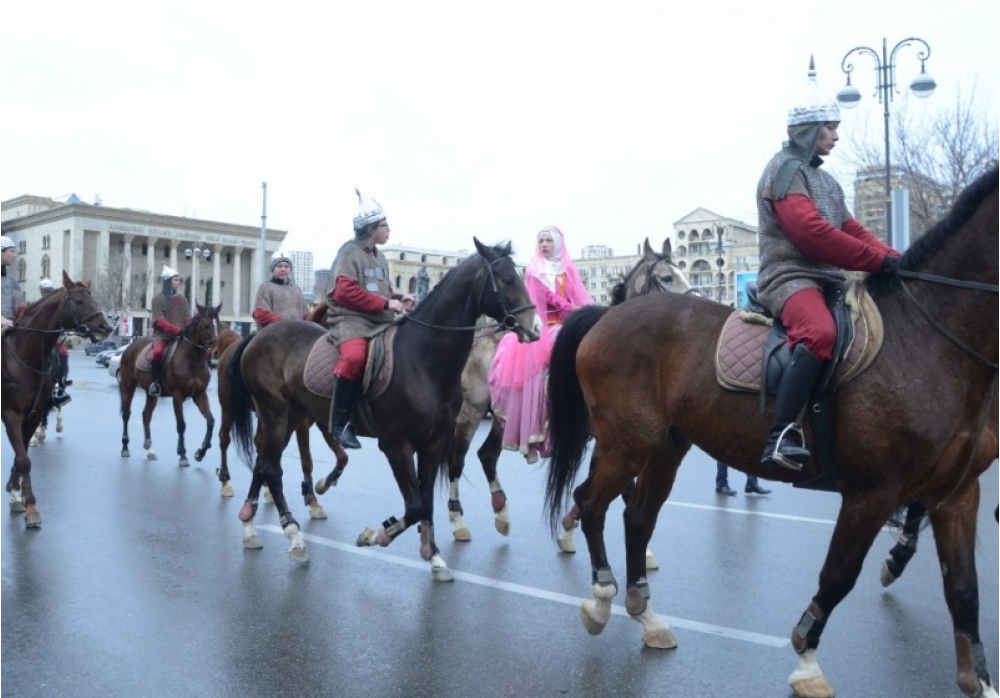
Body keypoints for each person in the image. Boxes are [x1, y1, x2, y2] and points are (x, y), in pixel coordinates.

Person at [755, 59, 899, 471]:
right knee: (819, 332)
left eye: (836, 127)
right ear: (808, 129)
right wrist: (876, 261)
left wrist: (898, 260)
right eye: (830, 127)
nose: (836, 135)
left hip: (829, 280)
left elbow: (852, 229)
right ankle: (780, 436)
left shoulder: (827, 181)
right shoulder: (784, 170)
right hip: (789, 276)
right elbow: (811, 234)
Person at [489, 226, 593, 464]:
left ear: (558, 243)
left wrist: (587, 313)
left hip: (570, 322)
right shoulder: (534, 269)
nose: (544, 244)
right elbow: (548, 298)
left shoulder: (567, 268)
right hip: (546, 325)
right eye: (541, 241)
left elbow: (578, 295)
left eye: (548, 240)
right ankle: (540, 426)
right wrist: (572, 310)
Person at [326, 189, 414, 449]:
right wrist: (387, 303)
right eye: (385, 225)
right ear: (371, 228)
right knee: (354, 358)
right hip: (350, 319)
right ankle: (341, 424)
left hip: (380, 319)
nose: (389, 230)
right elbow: (345, 292)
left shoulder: (380, 256)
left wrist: (399, 297)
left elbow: (383, 289)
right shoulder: (349, 253)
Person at [149, 265, 192, 397]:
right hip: (163, 336)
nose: (178, 282)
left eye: (178, 280)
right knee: (157, 353)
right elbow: (160, 321)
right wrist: (176, 331)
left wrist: (189, 330)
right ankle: (156, 382)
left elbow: (187, 319)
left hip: (181, 336)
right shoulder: (157, 299)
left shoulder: (182, 299)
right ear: (168, 281)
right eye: (175, 280)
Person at [39, 278, 73, 406]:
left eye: (48, 290)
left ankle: (63, 381)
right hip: (40, 337)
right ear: (41, 291)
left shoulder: (58, 305)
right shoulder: (39, 305)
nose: (46, 293)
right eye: (44, 290)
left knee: (63, 352)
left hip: (55, 338)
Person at [252, 254, 310, 328]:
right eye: (279, 266)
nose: (283, 269)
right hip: (274, 332)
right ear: (273, 269)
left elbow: (306, 314)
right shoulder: (265, 288)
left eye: (286, 266)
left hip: (297, 332)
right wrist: (283, 324)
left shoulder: (297, 290)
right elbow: (260, 313)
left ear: (290, 269)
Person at [1, 235, 24, 332]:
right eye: (12, 251)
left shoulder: (12, 281)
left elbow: (20, 307)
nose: (15, 255)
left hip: (10, 326)